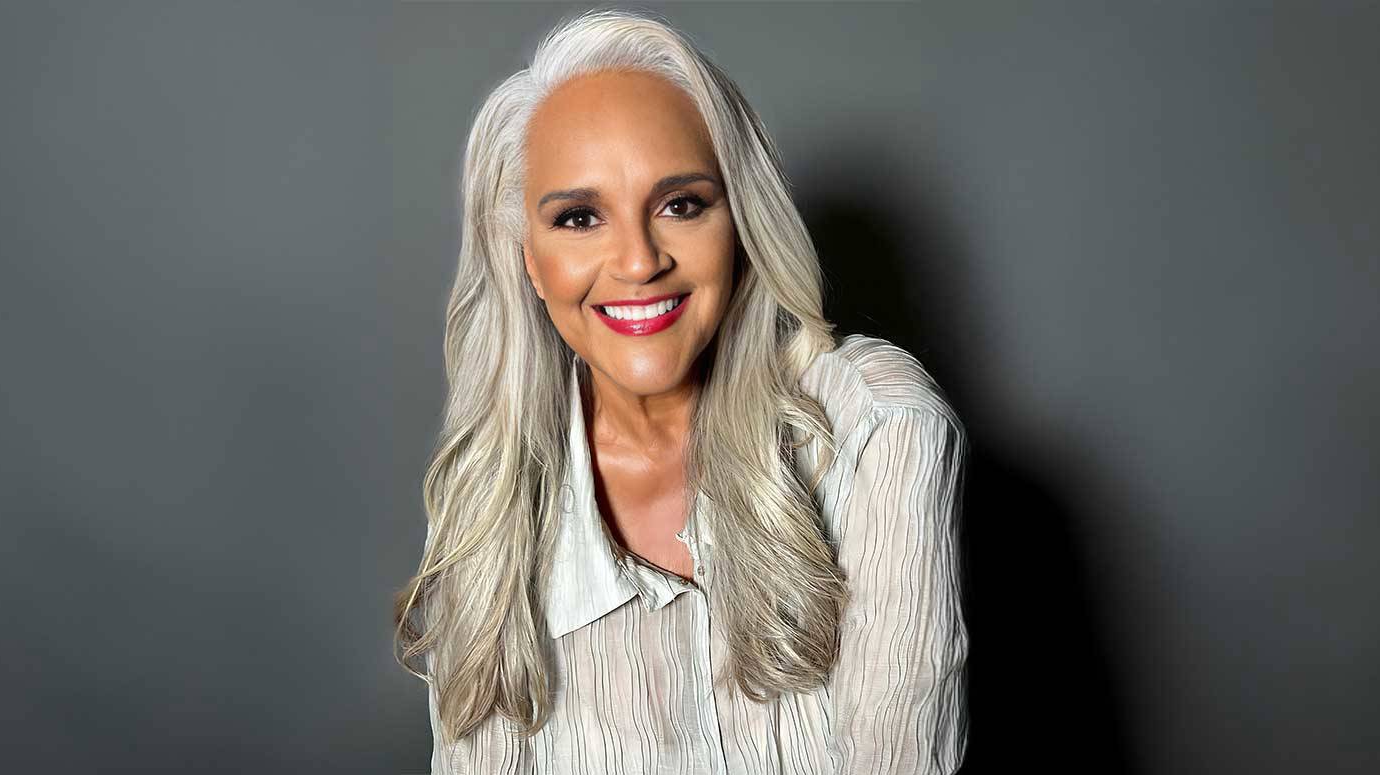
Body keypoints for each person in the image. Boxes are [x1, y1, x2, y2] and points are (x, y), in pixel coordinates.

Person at [390, 8, 970, 775]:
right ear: (528, 257)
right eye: (580, 217)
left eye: (681, 205)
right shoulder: (487, 502)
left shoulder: (879, 428)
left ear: (741, 221)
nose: (638, 261)